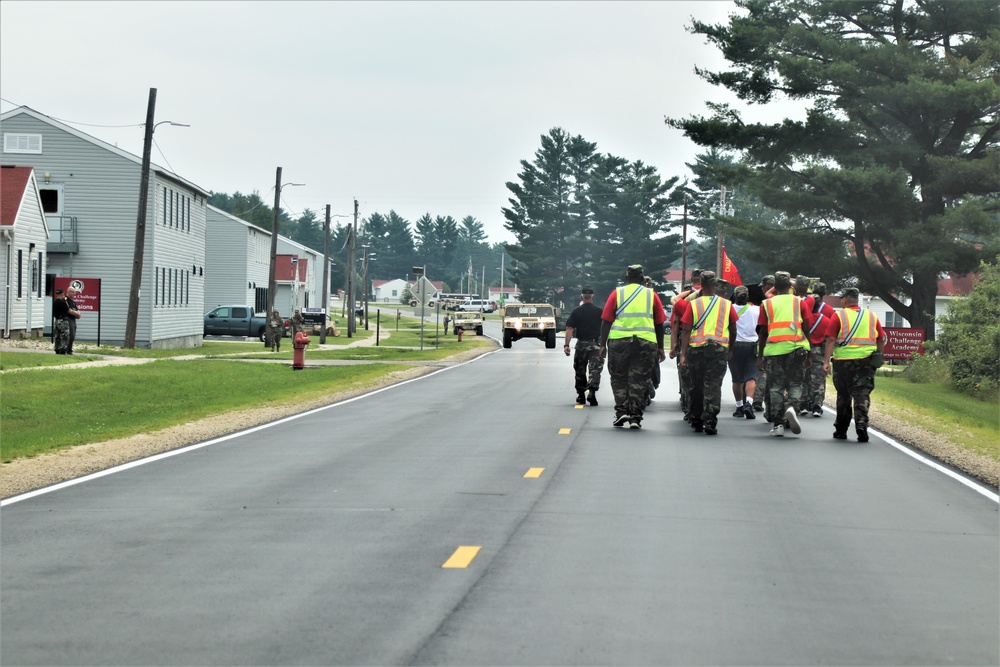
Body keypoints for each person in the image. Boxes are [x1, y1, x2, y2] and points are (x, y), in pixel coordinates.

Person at [598, 264, 667, 429]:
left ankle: (621, 411)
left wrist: (602, 345)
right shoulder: (652, 295)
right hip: (645, 342)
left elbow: (606, 321)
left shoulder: (617, 293)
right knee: (639, 380)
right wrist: (660, 347)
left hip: (619, 341)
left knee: (618, 377)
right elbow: (659, 323)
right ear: (643, 278)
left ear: (626, 278)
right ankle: (635, 417)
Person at [823, 287, 886, 442]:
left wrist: (826, 361)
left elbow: (831, 339)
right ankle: (861, 424)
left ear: (844, 300)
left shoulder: (839, 316)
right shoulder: (871, 316)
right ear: (856, 300)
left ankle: (841, 429)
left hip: (842, 362)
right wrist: (879, 354)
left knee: (844, 395)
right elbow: (881, 338)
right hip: (866, 361)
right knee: (861, 393)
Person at [679, 270, 739, 435]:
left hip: (696, 350)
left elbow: (685, 330)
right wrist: (730, 348)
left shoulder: (693, 304)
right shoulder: (726, 304)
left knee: (695, 385)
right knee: (713, 385)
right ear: (714, 285)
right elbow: (733, 329)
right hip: (719, 350)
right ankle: (710, 421)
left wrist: (683, 354)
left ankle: (696, 419)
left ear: (701, 285)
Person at [757, 271, 811, 437]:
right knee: (795, 383)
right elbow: (807, 327)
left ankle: (778, 424)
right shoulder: (799, 302)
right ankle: (792, 408)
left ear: (775, 286)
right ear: (790, 286)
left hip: (774, 350)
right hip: (797, 348)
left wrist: (760, 356)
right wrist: (809, 352)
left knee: (775, 387)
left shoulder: (767, 304)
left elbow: (763, 332)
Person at [564, 286, 605, 406]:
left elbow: (570, 329)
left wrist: (566, 345)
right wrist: (604, 344)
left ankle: (581, 395)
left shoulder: (576, 311)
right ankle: (592, 392)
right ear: (593, 297)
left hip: (581, 344)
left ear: (581, 297)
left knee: (580, 369)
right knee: (595, 370)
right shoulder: (600, 311)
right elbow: (605, 328)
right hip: (596, 344)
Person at [800, 281, 835, 417]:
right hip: (820, 352)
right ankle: (816, 406)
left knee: (804, 378)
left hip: (804, 350)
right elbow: (830, 338)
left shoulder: (804, 318)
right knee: (819, 380)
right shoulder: (827, 316)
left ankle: (803, 404)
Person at [728, 285, 759, 419]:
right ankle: (749, 403)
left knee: (737, 379)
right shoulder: (756, 310)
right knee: (751, 376)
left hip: (734, 345)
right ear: (747, 297)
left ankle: (739, 406)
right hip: (752, 345)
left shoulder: (729, 309)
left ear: (734, 296)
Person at [52, 289, 71, 354]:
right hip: (63, 320)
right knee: (64, 335)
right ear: (62, 293)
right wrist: (77, 313)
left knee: (57, 335)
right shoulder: (63, 302)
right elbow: (68, 310)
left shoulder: (54, 302)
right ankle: (63, 349)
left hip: (57, 320)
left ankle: (57, 349)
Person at [65, 286, 81, 355]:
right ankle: (67, 350)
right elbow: (69, 310)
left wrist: (78, 314)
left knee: (73, 335)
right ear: (69, 292)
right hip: (68, 319)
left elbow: (77, 310)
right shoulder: (65, 300)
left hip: (73, 319)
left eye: (75, 292)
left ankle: (70, 349)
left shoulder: (73, 302)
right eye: (73, 292)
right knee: (70, 335)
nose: (74, 294)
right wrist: (76, 313)